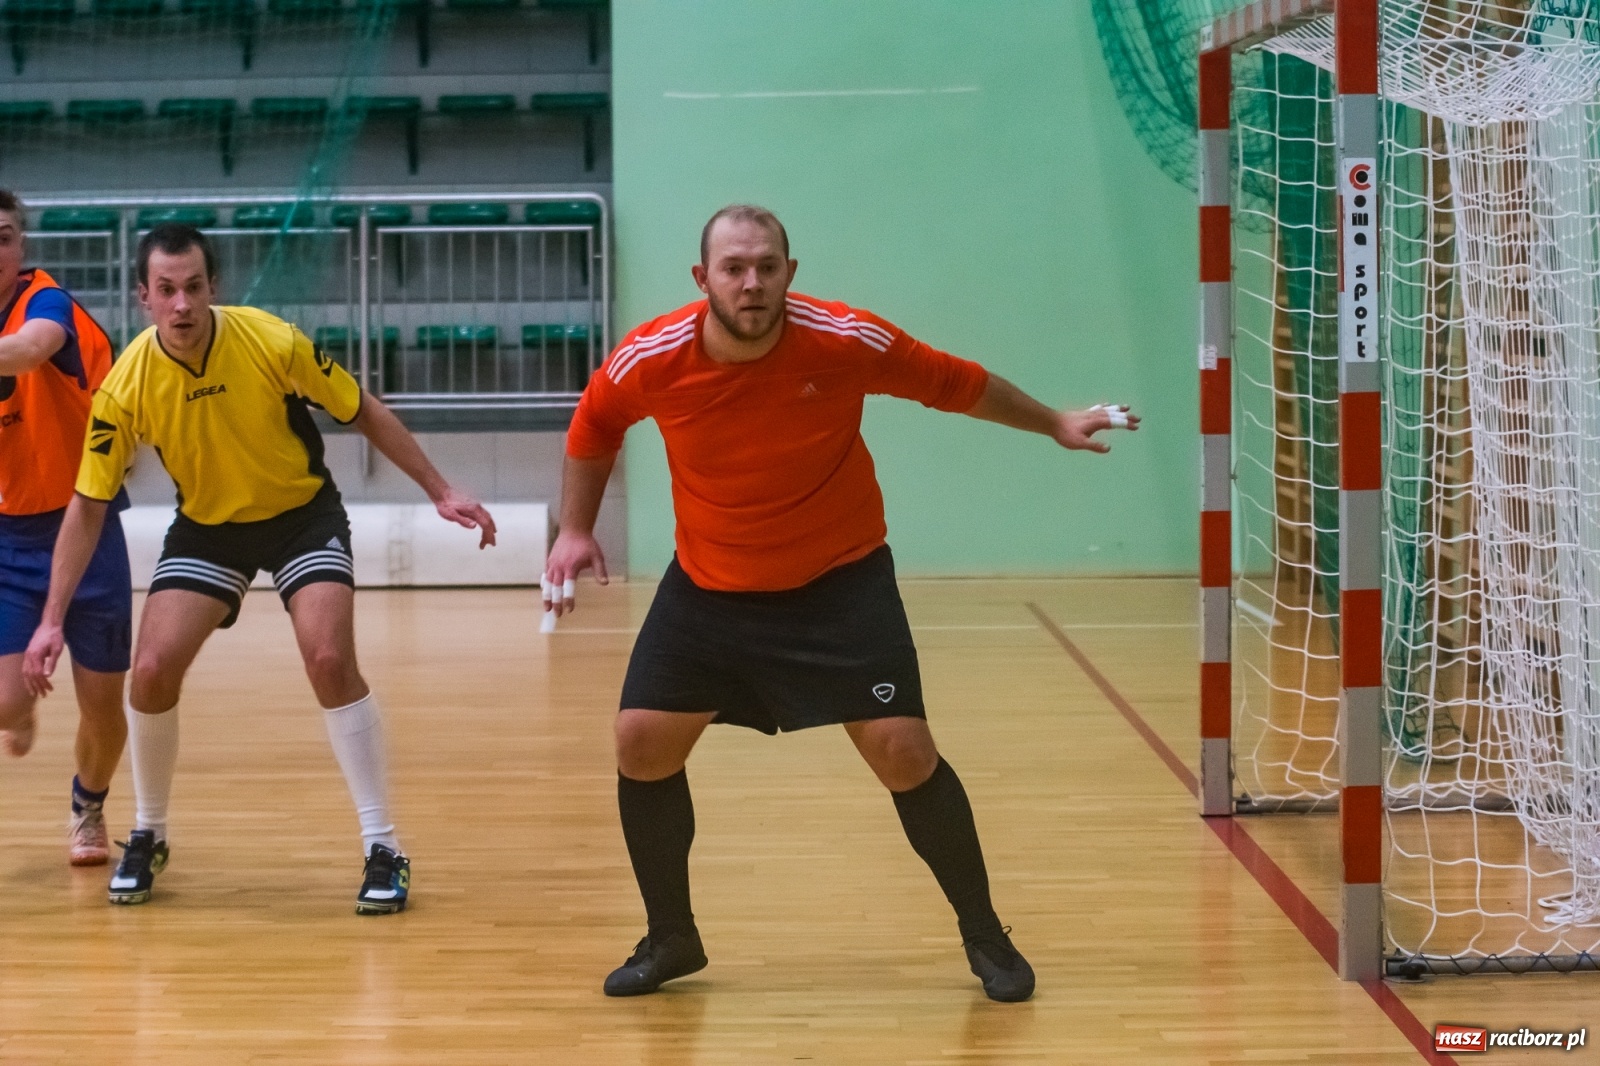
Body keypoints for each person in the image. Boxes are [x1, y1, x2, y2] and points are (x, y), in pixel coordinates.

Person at [545, 204, 1139, 1002]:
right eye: (733, 268)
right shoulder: (652, 357)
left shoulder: (845, 340)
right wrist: (574, 531)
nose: (750, 282)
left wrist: (1055, 422)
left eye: (766, 266)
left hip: (839, 583)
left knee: (903, 752)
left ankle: (985, 936)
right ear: (703, 279)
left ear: (790, 271)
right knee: (642, 743)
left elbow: (956, 383)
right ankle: (671, 937)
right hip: (713, 586)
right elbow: (593, 427)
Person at [22, 222, 496, 914]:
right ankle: (148, 831)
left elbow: (362, 409)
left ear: (214, 288)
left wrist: (442, 490)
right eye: (165, 290)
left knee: (329, 658)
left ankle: (383, 845)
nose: (181, 304)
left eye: (193, 288)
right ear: (142, 298)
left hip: (301, 517)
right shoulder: (124, 386)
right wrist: (50, 622)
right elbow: (87, 505)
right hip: (209, 531)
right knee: (150, 670)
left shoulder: (271, 342)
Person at [0, 189, 131, 867]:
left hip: (87, 520)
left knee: (105, 704)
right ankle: (19, 709)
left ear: (22, 248)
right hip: (10, 534)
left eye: (4, 237)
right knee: (3, 707)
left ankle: (89, 807)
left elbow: (27, 351)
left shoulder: (46, 301)